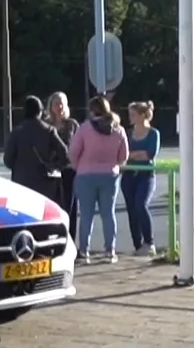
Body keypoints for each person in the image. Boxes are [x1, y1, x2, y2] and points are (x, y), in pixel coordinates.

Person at [67, 95, 130, 263]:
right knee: (108, 214)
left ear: (92, 110)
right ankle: (110, 250)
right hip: (110, 175)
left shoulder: (85, 128)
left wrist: (77, 165)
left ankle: (84, 252)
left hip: (85, 174)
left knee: (86, 215)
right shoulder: (118, 129)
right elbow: (124, 155)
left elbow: (73, 152)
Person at [3, 96, 69, 201]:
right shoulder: (49, 130)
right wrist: (53, 166)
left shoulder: (16, 132)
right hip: (45, 182)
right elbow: (65, 154)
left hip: (21, 182)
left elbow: (7, 160)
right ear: (40, 111)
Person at [121, 101, 162, 255]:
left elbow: (150, 154)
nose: (130, 117)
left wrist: (133, 155)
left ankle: (149, 242)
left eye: (133, 114)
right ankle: (138, 245)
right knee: (131, 209)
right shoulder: (128, 133)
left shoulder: (153, 133)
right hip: (129, 175)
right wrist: (135, 155)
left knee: (141, 204)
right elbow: (123, 154)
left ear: (142, 115)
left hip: (146, 175)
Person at [46, 92, 80, 240]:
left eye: (62, 103)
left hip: (70, 170)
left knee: (70, 207)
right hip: (51, 171)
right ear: (51, 106)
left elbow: (80, 144)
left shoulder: (72, 124)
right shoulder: (46, 125)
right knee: (52, 207)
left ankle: (71, 240)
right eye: (56, 103)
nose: (59, 107)